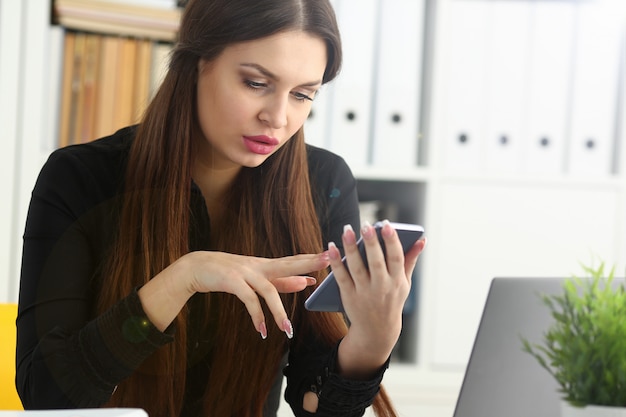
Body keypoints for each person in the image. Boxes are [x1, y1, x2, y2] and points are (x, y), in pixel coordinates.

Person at [16, 0, 426, 416]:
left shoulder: (323, 183)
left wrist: (371, 343)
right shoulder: (79, 179)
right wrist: (180, 280)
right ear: (196, 62)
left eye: (303, 95)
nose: (278, 117)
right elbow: (44, 395)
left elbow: (313, 404)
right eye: (255, 83)